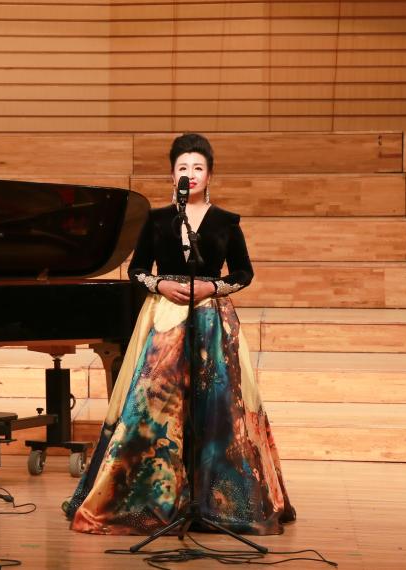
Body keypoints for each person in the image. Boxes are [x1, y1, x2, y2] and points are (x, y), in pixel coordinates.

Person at [65, 133, 295, 535]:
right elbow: (137, 269)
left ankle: (216, 502)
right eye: (183, 167)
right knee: (154, 405)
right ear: (173, 175)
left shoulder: (226, 222)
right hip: (164, 318)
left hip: (210, 319)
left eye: (198, 167)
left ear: (210, 175)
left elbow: (244, 273)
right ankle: (150, 498)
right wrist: (159, 284)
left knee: (217, 408)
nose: (191, 174)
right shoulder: (156, 220)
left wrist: (213, 287)